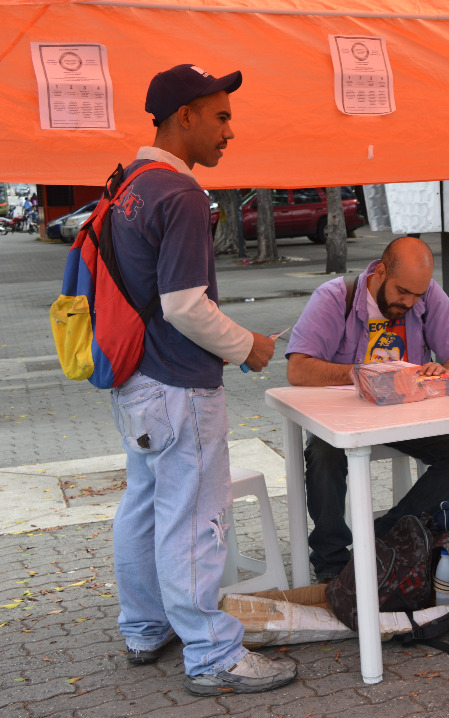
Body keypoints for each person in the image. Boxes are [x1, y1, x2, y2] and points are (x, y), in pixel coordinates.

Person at [108, 64, 296, 695]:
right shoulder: (181, 193)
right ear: (183, 116)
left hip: (136, 380)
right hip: (180, 383)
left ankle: (144, 626)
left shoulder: (126, 182)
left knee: (144, 505)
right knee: (192, 516)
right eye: (220, 117)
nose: (229, 132)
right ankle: (212, 656)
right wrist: (250, 346)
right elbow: (185, 305)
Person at [285, 236, 449, 581]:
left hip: (408, 417)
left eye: (417, 296)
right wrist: (359, 374)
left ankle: (385, 536)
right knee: (322, 454)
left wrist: (447, 370)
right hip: (345, 420)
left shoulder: (425, 294)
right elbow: (297, 369)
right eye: (402, 292)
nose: (408, 303)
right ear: (379, 272)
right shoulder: (335, 297)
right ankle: (332, 562)